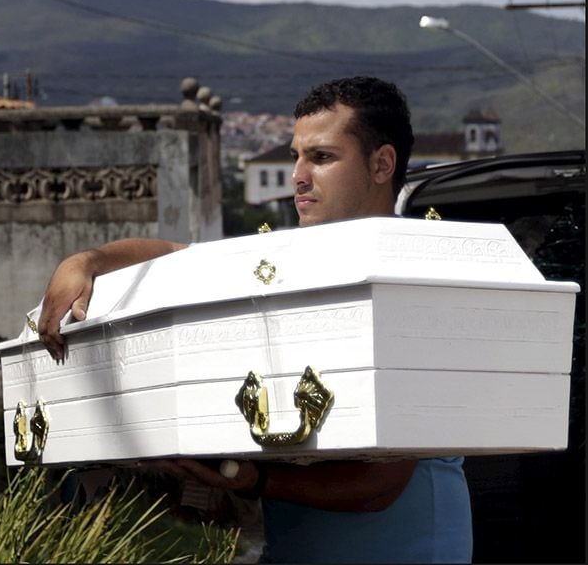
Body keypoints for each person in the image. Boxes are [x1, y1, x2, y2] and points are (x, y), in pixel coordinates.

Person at [37, 76, 473, 563]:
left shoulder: (418, 275)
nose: (298, 176)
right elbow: (178, 255)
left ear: (381, 164)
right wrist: (85, 263)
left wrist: (253, 479)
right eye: (296, 156)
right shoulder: (288, 261)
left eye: (322, 157)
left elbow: (380, 484)